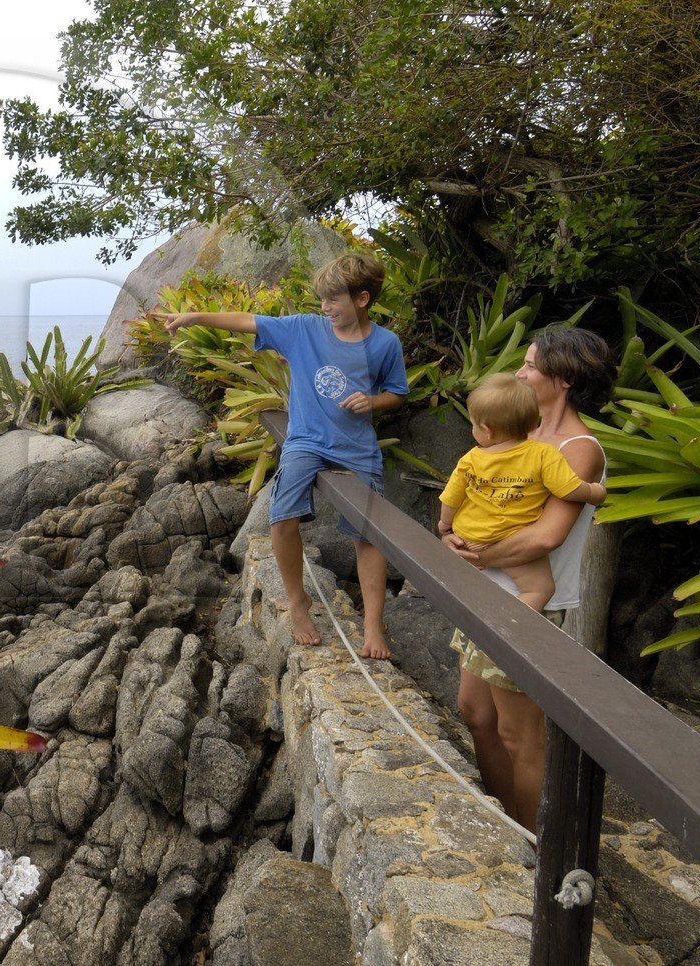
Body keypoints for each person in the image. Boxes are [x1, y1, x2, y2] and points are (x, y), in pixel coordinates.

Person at [163, 251, 408, 659]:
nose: (324, 307)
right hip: (306, 442)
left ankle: (372, 626)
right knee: (281, 517)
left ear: (362, 299)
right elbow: (247, 320)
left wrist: (373, 401)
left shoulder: (385, 344)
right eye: (322, 299)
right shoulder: (304, 329)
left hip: (356, 449)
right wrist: (194, 318)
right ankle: (297, 602)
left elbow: (397, 393)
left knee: (368, 536)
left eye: (333, 299)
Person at [442, 326, 617, 831]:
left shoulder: (579, 448)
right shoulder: (519, 434)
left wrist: (474, 554)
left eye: (531, 365)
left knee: (520, 736)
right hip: (488, 592)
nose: (519, 373)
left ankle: (536, 843)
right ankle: (506, 825)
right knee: (475, 713)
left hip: (529, 602)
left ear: (564, 379)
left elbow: (546, 537)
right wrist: (451, 540)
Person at [437, 373, 607, 613]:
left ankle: (498, 627)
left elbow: (451, 497)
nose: (520, 372)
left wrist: (446, 527)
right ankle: (511, 625)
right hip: (505, 537)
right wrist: (594, 492)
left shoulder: (471, 458)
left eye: (530, 365)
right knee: (540, 590)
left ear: (487, 430)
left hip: (468, 537)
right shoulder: (543, 454)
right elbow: (568, 489)